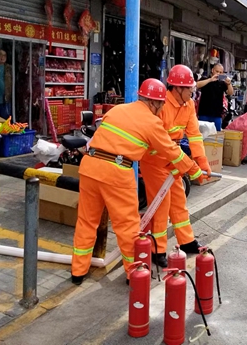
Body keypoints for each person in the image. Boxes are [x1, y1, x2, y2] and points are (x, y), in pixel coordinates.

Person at [71, 78, 204, 285]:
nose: (161, 110)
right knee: (127, 226)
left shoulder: (117, 110)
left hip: (89, 167)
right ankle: (134, 273)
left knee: (87, 221)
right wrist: (195, 171)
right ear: (154, 103)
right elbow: (172, 152)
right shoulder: (152, 122)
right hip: (116, 173)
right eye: (161, 105)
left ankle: (78, 272)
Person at [140, 66, 211, 267]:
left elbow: (194, 135)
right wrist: (189, 166)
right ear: (178, 88)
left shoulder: (188, 105)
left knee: (179, 201)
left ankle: (187, 241)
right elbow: (160, 142)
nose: (193, 92)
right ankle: (157, 250)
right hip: (154, 161)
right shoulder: (162, 104)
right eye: (190, 88)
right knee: (161, 205)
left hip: (174, 158)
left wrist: (202, 161)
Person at [196, 63, 234, 131]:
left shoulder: (222, 83)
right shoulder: (205, 78)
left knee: (217, 136)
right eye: (217, 71)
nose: (218, 73)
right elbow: (197, 85)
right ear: (212, 70)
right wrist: (210, 80)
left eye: (220, 72)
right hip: (204, 113)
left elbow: (230, 93)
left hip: (217, 115)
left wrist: (229, 84)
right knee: (202, 135)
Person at [0, 49, 13, 120]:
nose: (2, 57)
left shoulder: (9, 68)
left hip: (6, 96)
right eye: (0, 55)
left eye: (4, 55)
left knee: (5, 118)